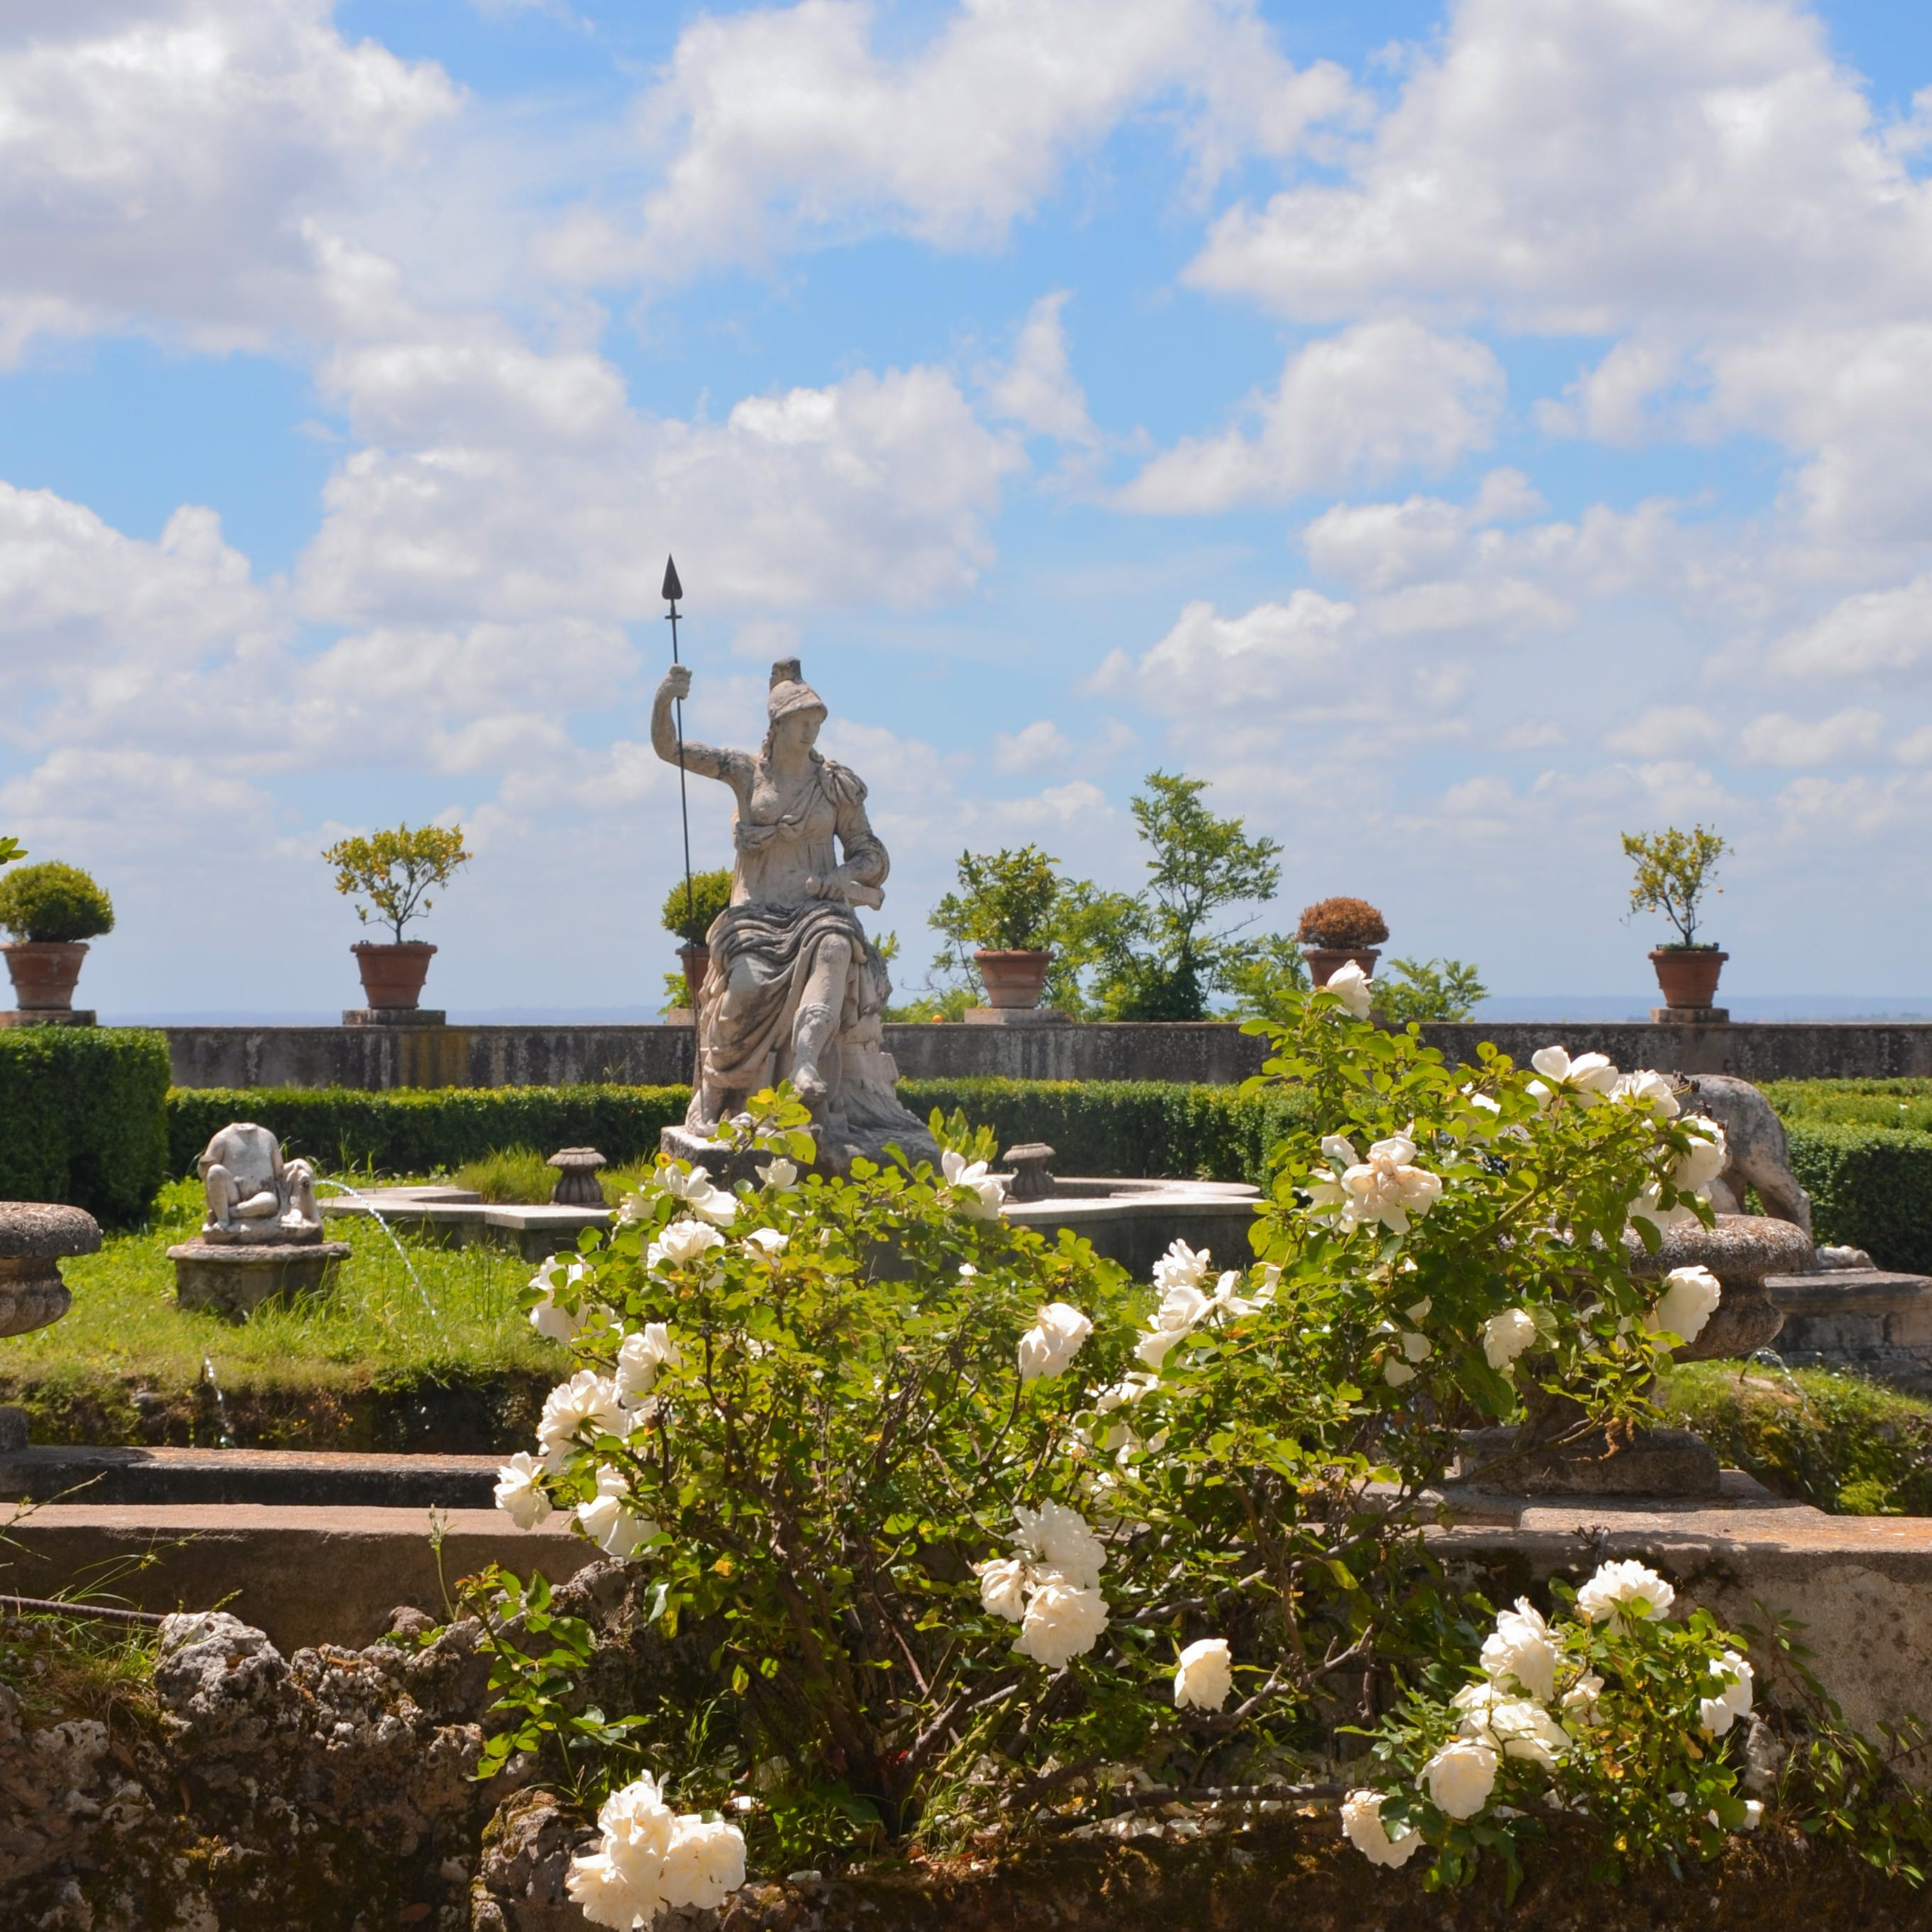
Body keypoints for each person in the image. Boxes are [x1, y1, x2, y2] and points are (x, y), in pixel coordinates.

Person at [652, 657, 936, 1168]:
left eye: (817, 723)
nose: (811, 731)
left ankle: (807, 1065)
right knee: (746, 989)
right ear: (778, 724)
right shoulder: (744, 772)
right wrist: (664, 699)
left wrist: (844, 877)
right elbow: (669, 749)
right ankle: (726, 1088)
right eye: (802, 721)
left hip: (817, 912)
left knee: (833, 947)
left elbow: (872, 854)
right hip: (755, 917)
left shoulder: (835, 785)